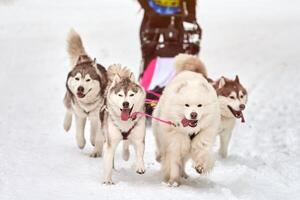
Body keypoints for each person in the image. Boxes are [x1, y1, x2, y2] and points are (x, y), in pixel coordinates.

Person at [137, 0, 202, 114]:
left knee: (178, 56)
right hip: (152, 15)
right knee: (149, 53)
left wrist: (191, 15)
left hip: (176, 16)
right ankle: (148, 90)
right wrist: (148, 9)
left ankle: (176, 91)